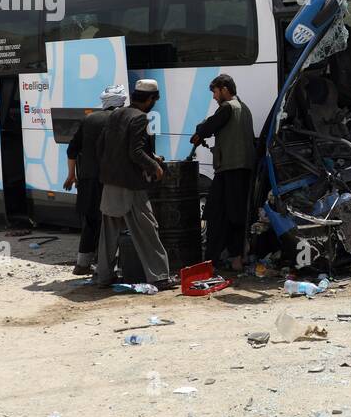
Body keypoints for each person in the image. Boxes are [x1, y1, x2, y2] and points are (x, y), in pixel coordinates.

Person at [96, 78, 176, 290]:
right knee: (147, 230)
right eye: (154, 100)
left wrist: (152, 157)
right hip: (130, 186)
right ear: (150, 99)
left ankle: (103, 276)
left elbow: (103, 146)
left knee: (108, 233)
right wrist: (155, 167)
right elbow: (135, 152)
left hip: (109, 182)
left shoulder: (116, 114)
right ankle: (159, 276)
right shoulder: (140, 118)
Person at [189, 73, 256, 270]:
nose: (214, 97)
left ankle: (223, 258)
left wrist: (199, 132)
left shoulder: (227, 108)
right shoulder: (245, 109)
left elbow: (210, 125)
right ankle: (231, 256)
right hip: (241, 168)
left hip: (230, 168)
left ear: (225, 90)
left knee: (218, 212)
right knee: (233, 211)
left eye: (215, 92)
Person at [63, 84, 126, 275]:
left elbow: (72, 150)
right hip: (111, 180)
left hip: (88, 179)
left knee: (90, 221)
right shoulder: (121, 119)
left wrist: (71, 175)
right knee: (111, 222)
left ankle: (82, 264)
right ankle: (105, 266)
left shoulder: (89, 119)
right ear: (121, 102)